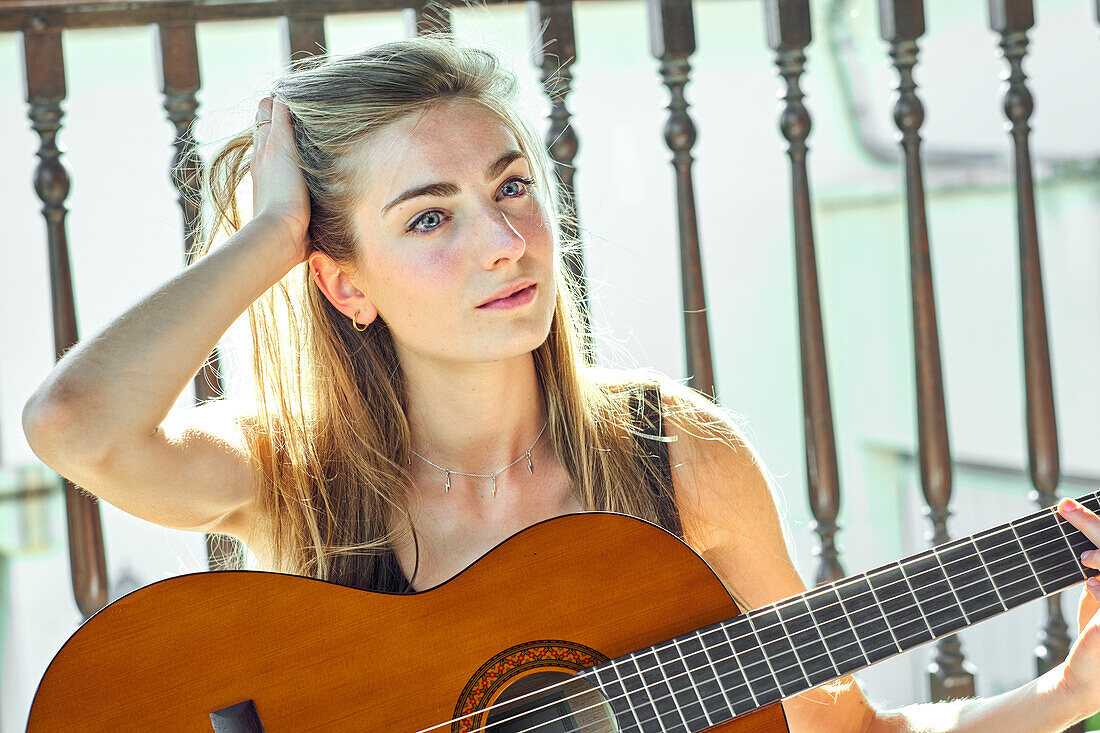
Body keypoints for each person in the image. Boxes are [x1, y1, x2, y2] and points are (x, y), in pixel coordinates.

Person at [20, 35, 1100, 731]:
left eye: (512, 187)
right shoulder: (294, 467)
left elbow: (839, 730)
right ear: (344, 285)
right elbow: (75, 426)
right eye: (430, 216)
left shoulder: (677, 458)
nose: (505, 242)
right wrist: (270, 236)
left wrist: (1064, 697)